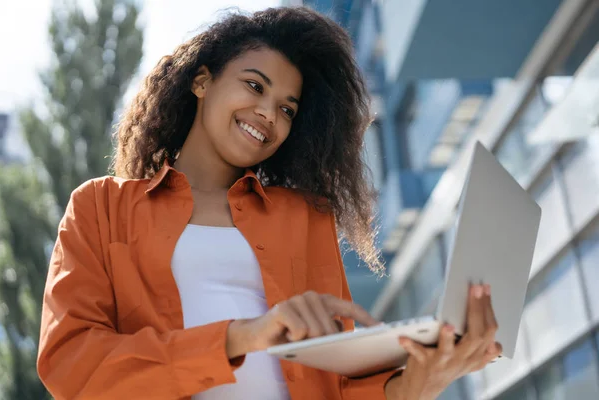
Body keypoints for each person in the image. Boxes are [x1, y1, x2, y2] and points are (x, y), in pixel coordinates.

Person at [37, 6, 502, 400]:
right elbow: (73, 364)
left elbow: (338, 382)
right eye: (255, 86)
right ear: (202, 81)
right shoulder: (100, 208)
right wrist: (242, 335)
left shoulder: (306, 218)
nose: (268, 114)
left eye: (287, 109)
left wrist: (422, 378)